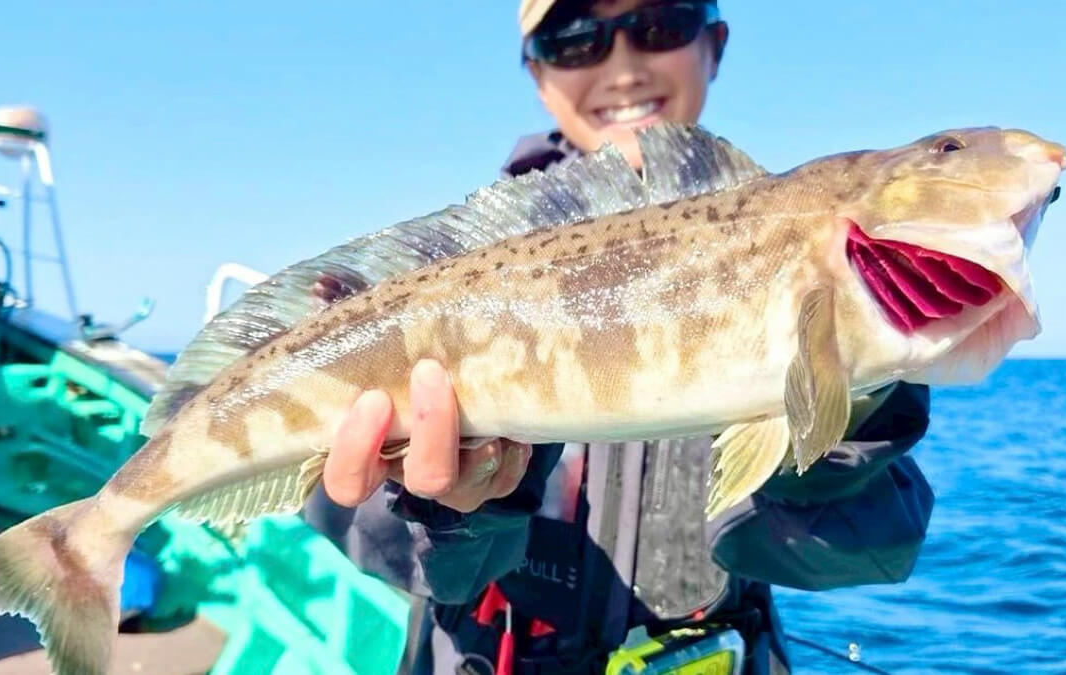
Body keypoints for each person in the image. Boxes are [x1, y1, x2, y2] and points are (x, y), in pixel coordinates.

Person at [303, 2, 934, 674]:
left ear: (714, 45)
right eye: (576, 40)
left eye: (661, 25)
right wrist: (446, 511)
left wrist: (849, 408)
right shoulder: (455, 266)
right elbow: (365, 536)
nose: (624, 66)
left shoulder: (804, 250)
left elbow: (870, 551)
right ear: (538, 73)